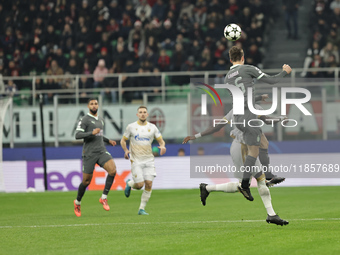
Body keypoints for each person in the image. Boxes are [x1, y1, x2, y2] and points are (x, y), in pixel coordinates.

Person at [183, 100, 289, 226]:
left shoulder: (252, 107)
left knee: (260, 179)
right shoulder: (240, 110)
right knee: (246, 184)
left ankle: (271, 215)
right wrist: (196, 136)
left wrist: (280, 118)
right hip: (240, 148)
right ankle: (207, 188)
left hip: (250, 147)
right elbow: (217, 127)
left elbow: (266, 119)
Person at [224, 46, 291, 201]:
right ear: (243, 57)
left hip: (239, 115)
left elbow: (241, 99)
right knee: (253, 152)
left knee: (264, 143)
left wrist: (258, 98)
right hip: (248, 115)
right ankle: (245, 185)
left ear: (230, 59)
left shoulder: (227, 78)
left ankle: (268, 176)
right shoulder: (248, 69)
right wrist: (285, 72)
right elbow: (272, 80)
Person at [73, 98, 117, 217]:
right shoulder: (84, 119)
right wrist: (90, 133)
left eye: (96, 103)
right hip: (89, 153)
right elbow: (77, 135)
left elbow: (99, 135)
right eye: (91, 104)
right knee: (86, 181)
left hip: (101, 151)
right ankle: (77, 202)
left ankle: (103, 198)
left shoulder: (101, 119)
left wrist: (109, 141)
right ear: (88, 106)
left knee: (113, 170)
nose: (94, 105)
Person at [120, 106, 166, 215]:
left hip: (149, 160)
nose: (142, 114)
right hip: (136, 160)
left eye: (144, 112)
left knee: (149, 184)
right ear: (137, 114)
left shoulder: (152, 127)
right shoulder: (131, 127)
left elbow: (161, 141)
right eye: (140, 112)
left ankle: (141, 209)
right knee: (140, 185)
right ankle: (130, 184)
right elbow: (123, 140)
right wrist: (126, 150)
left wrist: (163, 147)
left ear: (147, 114)